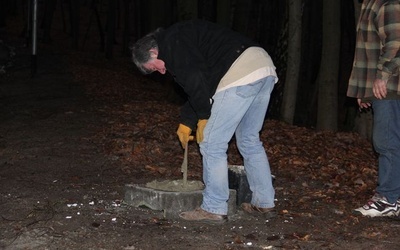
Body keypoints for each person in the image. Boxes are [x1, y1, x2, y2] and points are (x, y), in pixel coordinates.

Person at [131, 19, 278, 223]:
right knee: (249, 140)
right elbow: (200, 86)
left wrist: (203, 117)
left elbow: (196, 81)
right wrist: (187, 122)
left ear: (153, 52)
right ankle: (264, 202)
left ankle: (214, 207)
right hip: (263, 67)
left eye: (154, 67)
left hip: (239, 73)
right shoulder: (180, 39)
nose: (161, 72)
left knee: (212, 143)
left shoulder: (172, 44)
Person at [348, 0, 400, 217]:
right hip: (381, 86)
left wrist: (382, 76)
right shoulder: (369, 4)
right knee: (389, 141)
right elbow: (364, 52)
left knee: (386, 141)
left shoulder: (388, 2)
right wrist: (362, 89)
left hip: (391, 85)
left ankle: (388, 198)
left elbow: (396, 41)